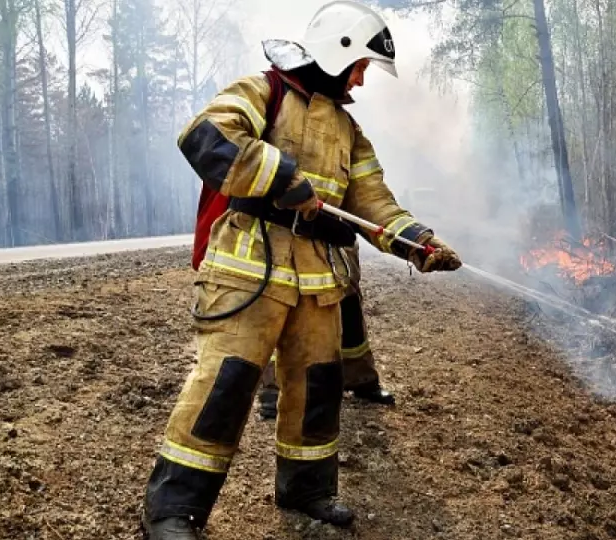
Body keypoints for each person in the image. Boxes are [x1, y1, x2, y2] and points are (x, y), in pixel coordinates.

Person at [140, 2, 461, 538]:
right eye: (360, 64)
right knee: (225, 388)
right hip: (248, 273)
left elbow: (373, 203)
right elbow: (205, 135)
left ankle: (306, 489)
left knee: (317, 389)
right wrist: (280, 176)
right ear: (337, 50)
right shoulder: (262, 91)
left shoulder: (348, 130)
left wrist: (417, 242)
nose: (362, 78)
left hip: (317, 282)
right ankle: (173, 511)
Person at [258, 240, 394, 423]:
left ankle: (360, 377)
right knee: (282, 300)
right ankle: (276, 388)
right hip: (283, 233)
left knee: (348, 300)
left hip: (334, 232)